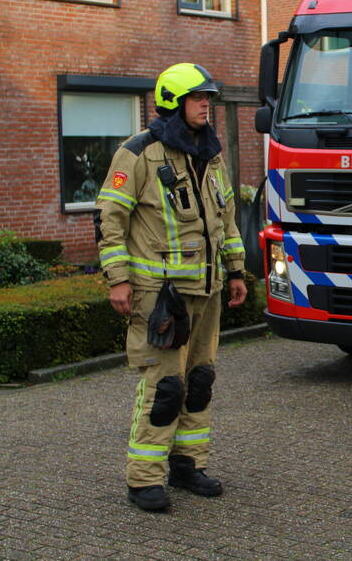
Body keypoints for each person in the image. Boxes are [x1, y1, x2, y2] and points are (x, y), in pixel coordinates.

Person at [94, 63, 247, 511]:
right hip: (160, 296)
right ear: (174, 103)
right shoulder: (139, 153)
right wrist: (117, 280)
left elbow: (226, 219)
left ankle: (187, 465)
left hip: (208, 289)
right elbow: (110, 219)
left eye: (209, 99)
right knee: (165, 386)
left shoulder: (210, 155)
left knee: (199, 380)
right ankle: (143, 480)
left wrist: (235, 271)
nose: (207, 105)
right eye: (199, 98)